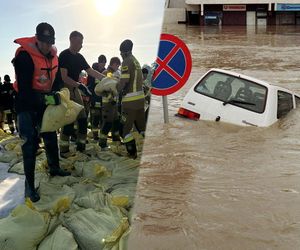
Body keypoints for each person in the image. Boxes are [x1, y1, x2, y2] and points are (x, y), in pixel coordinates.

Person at [12, 22, 71, 202]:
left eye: (49, 42)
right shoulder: (25, 57)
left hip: (44, 103)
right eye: (43, 42)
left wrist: (59, 93)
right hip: (26, 104)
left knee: (51, 136)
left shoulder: (54, 56)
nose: (46, 46)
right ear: (37, 39)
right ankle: (29, 187)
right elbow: (24, 89)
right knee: (29, 144)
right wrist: (44, 100)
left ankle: (54, 167)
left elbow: (57, 81)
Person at [56, 31, 104, 156]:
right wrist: (80, 85)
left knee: (83, 119)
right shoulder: (64, 55)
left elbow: (91, 71)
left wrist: (106, 78)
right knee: (69, 121)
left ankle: (81, 147)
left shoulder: (80, 57)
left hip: (75, 88)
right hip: (65, 89)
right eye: (79, 42)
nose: (81, 45)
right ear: (71, 40)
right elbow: (64, 77)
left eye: (82, 43)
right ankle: (64, 150)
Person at [117, 39, 146, 159]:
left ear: (123, 52)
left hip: (130, 102)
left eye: (120, 53)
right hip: (140, 101)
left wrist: (116, 88)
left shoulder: (126, 62)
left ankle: (132, 154)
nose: (120, 55)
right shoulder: (136, 61)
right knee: (141, 128)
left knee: (124, 131)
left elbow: (124, 81)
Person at [98, 57, 121, 150]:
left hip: (114, 102)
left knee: (116, 121)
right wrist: (110, 98)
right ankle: (102, 143)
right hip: (108, 103)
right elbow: (101, 89)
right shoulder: (107, 73)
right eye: (117, 65)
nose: (118, 67)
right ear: (113, 64)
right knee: (107, 122)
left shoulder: (116, 73)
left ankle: (116, 139)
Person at [87, 55, 107, 140]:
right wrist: (90, 97)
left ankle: (102, 136)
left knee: (103, 118)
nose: (103, 64)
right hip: (95, 98)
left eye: (104, 63)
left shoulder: (107, 72)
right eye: (102, 62)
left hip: (104, 99)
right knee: (95, 117)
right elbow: (89, 85)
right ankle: (95, 136)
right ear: (99, 62)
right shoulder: (93, 72)